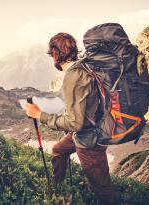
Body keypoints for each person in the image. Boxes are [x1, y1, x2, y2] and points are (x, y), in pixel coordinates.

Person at [25, 32, 117, 205]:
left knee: (101, 188)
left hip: (90, 141)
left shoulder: (73, 77)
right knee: (59, 151)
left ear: (55, 54)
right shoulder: (83, 67)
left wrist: (40, 115)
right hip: (83, 133)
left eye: (51, 54)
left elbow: (75, 123)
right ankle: (58, 186)